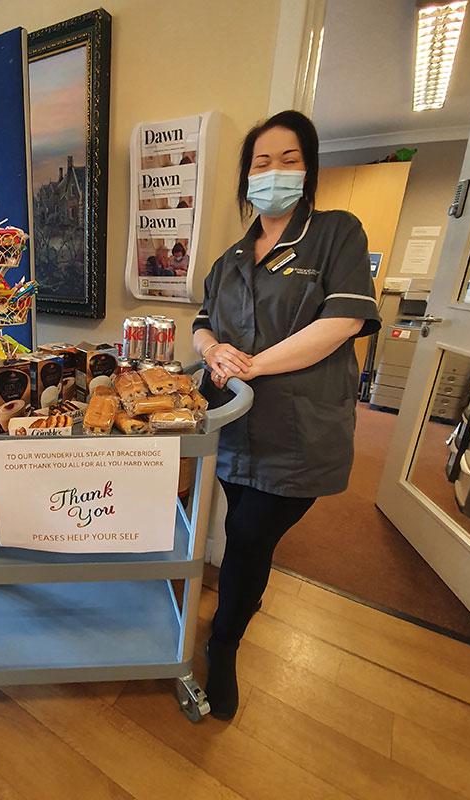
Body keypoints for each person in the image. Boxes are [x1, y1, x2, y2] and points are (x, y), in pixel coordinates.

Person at [192, 110, 380, 720]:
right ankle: (242, 602)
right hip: (232, 425)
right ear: (247, 177)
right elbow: (201, 324)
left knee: (250, 537)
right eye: (262, 162)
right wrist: (212, 351)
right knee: (243, 532)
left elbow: (342, 323)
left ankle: (224, 644)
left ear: (309, 169)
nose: (274, 172)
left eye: (289, 159)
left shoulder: (336, 234)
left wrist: (250, 366)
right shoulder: (229, 258)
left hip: (299, 429)